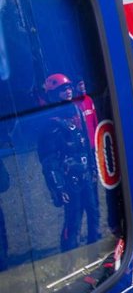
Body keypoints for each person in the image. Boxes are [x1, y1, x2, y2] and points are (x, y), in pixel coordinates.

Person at [37, 73, 100, 250]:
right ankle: (69, 255)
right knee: (73, 218)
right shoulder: (50, 123)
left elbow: (86, 144)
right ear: (53, 94)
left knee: (93, 213)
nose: (68, 91)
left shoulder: (77, 111)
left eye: (68, 88)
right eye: (62, 90)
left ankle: (94, 248)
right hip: (68, 179)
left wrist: (93, 167)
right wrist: (58, 187)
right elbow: (49, 160)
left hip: (85, 173)